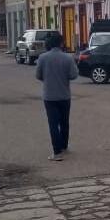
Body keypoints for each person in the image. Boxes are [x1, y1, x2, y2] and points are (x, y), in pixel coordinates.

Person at [35, 31, 78, 161]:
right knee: (64, 122)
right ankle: (64, 146)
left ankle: (57, 152)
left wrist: (48, 79)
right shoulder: (68, 58)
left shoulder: (42, 58)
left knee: (53, 124)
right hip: (64, 96)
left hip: (49, 96)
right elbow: (73, 75)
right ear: (61, 43)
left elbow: (38, 75)